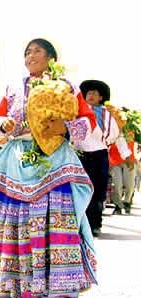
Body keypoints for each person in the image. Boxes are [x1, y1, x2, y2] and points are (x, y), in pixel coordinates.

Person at [0, 38, 98, 297]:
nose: (30, 56)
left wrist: (64, 129)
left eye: (37, 51)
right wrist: (4, 125)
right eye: (27, 52)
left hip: (55, 158)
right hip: (17, 159)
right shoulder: (13, 88)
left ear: (51, 58)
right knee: (12, 215)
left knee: (55, 215)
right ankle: (17, 284)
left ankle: (58, 286)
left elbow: (88, 121)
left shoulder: (67, 86)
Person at [75, 80, 120, 236]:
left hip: (99, 153)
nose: (91, 95)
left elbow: (114, 134)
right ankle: (79, 224)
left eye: (94, 93)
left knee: (97, 190)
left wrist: (102, 141)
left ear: (101, 97)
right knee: (79, 189)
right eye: (88, 93)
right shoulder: (76, 111)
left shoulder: (107, 114)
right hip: (79, 154)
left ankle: (95, 224)